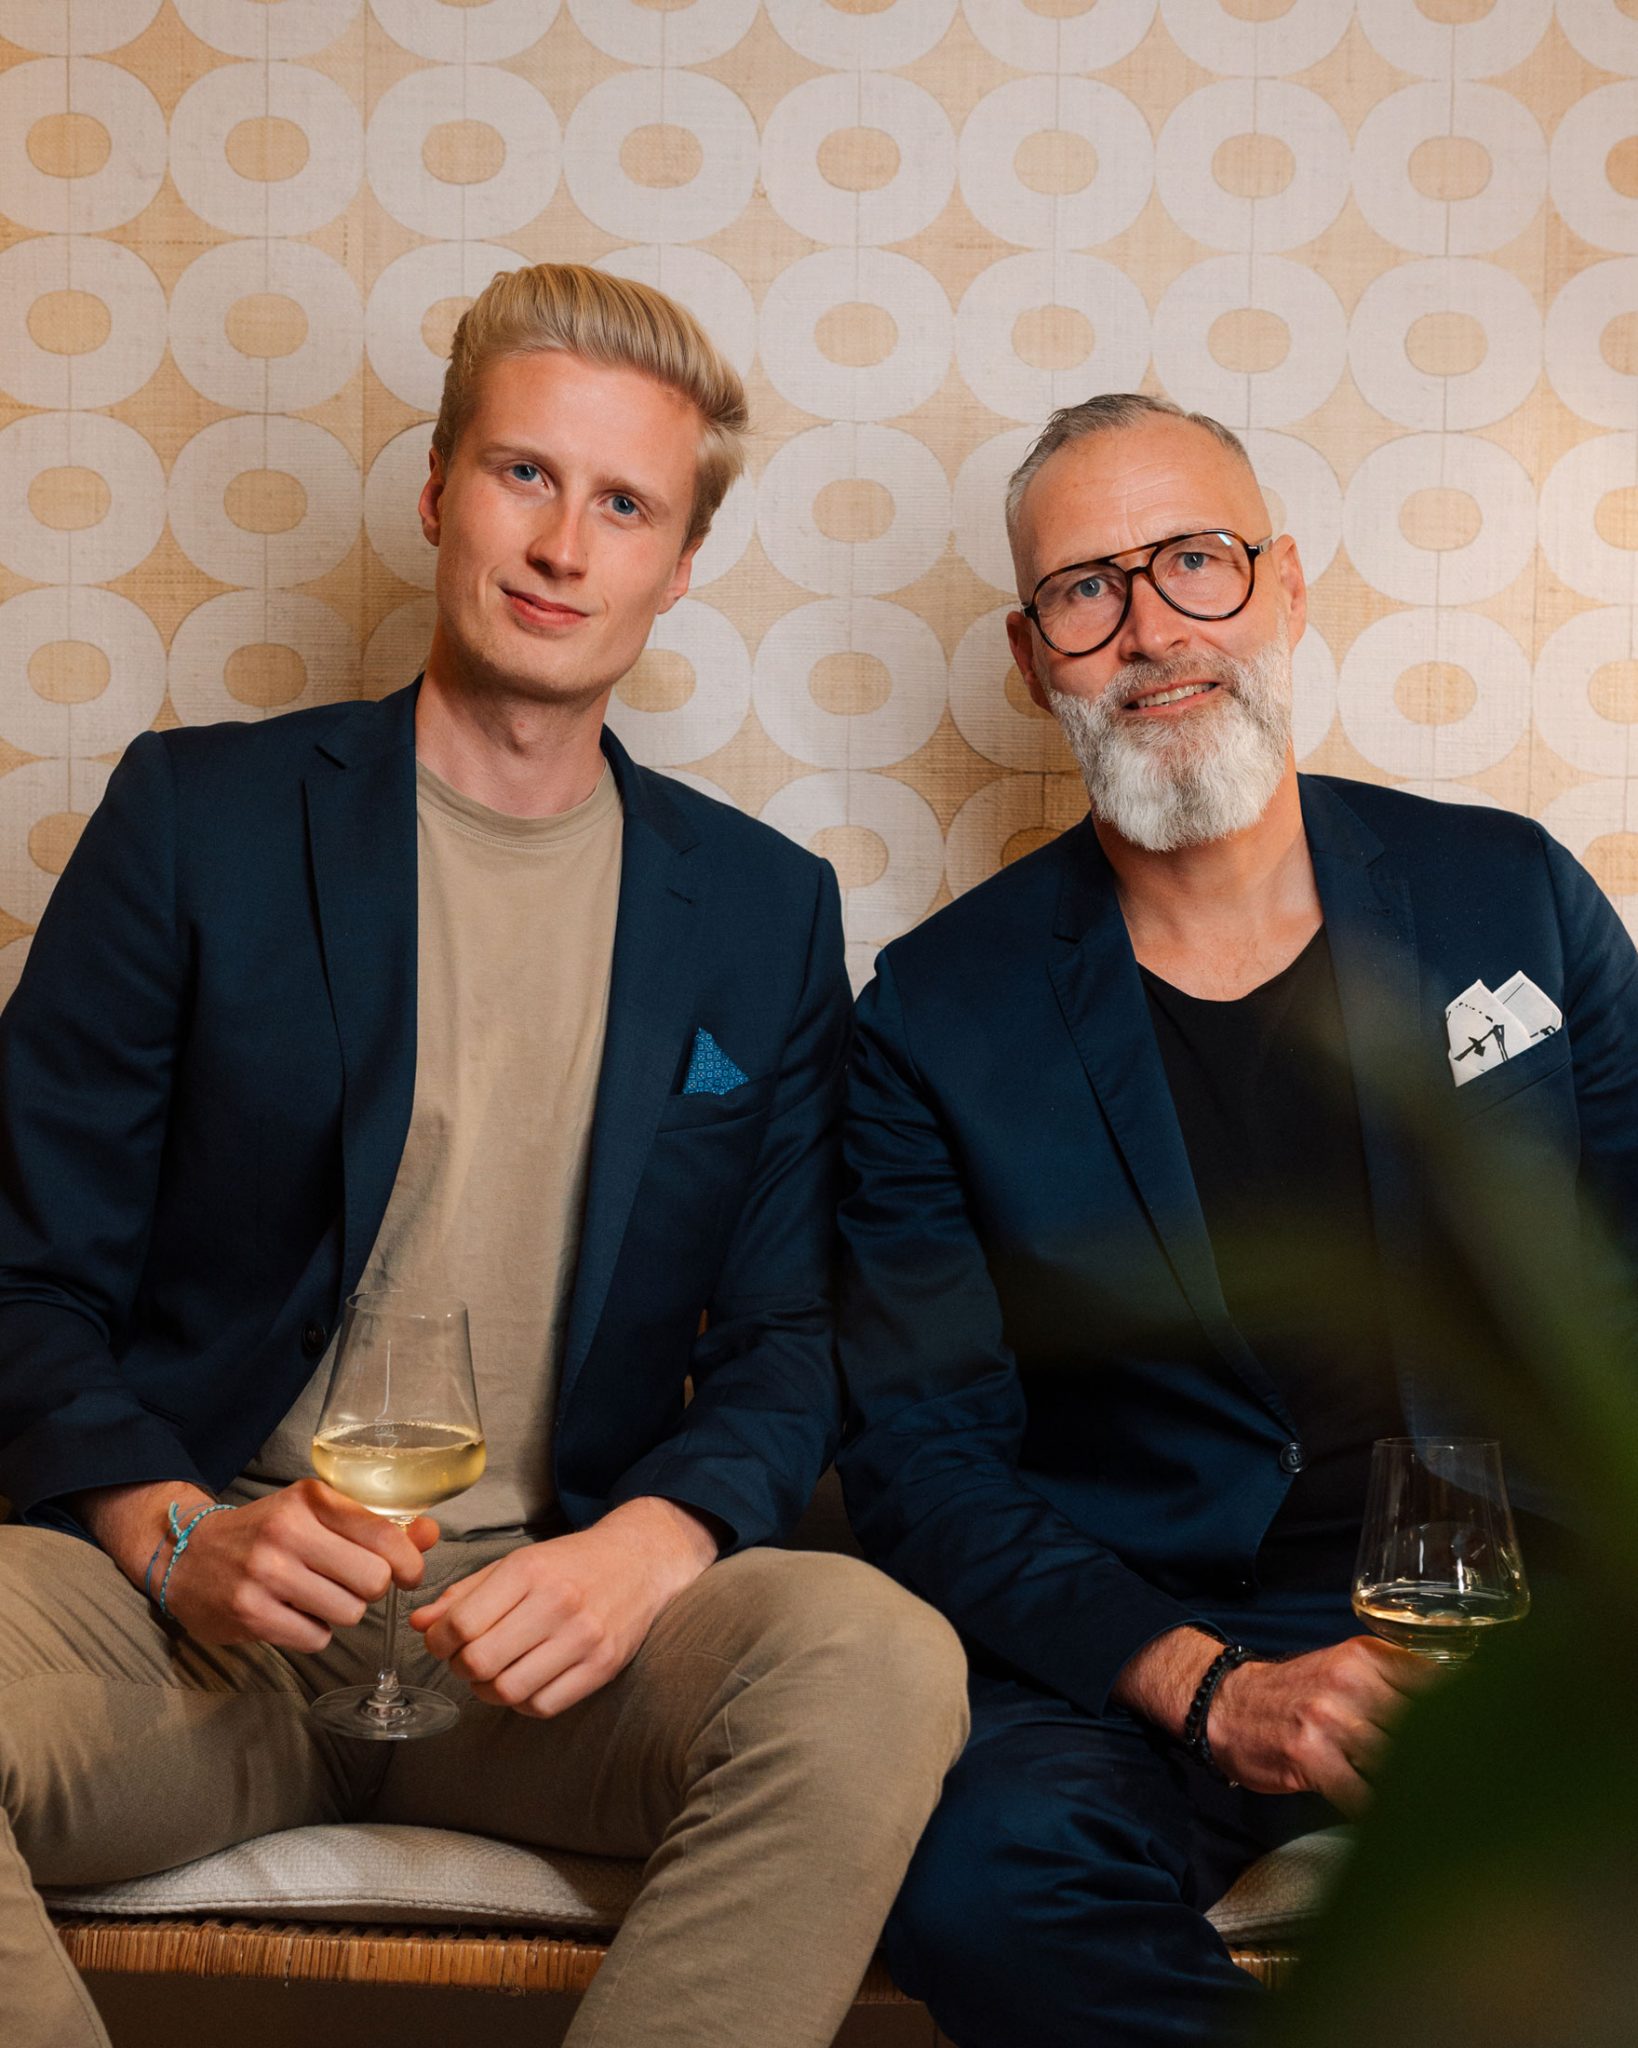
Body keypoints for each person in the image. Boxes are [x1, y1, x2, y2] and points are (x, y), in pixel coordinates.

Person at [0, 263, 968, 2048]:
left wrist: (655, 1545)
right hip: (204, 1620)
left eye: (625, 505)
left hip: (548, 1645)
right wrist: (169, 1533)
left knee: (875, 1655)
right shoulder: (196, 820)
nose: (562, 545)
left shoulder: (762, 911)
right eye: (525, 474)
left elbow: (788, 1337)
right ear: (439, 489)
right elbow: (23, 1272)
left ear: (681, 564)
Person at [836, 392, 1638, 2046]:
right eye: (1086, 590)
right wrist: (1210, 1687)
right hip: (1151, 1651)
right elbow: (921, 1457)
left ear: (1282, 585)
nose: (1150, 630)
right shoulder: (931, 1012)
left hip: (1530, 1616)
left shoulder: (1510, 893)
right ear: (1031, 656)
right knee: (979, 1880)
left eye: (1192, 561)